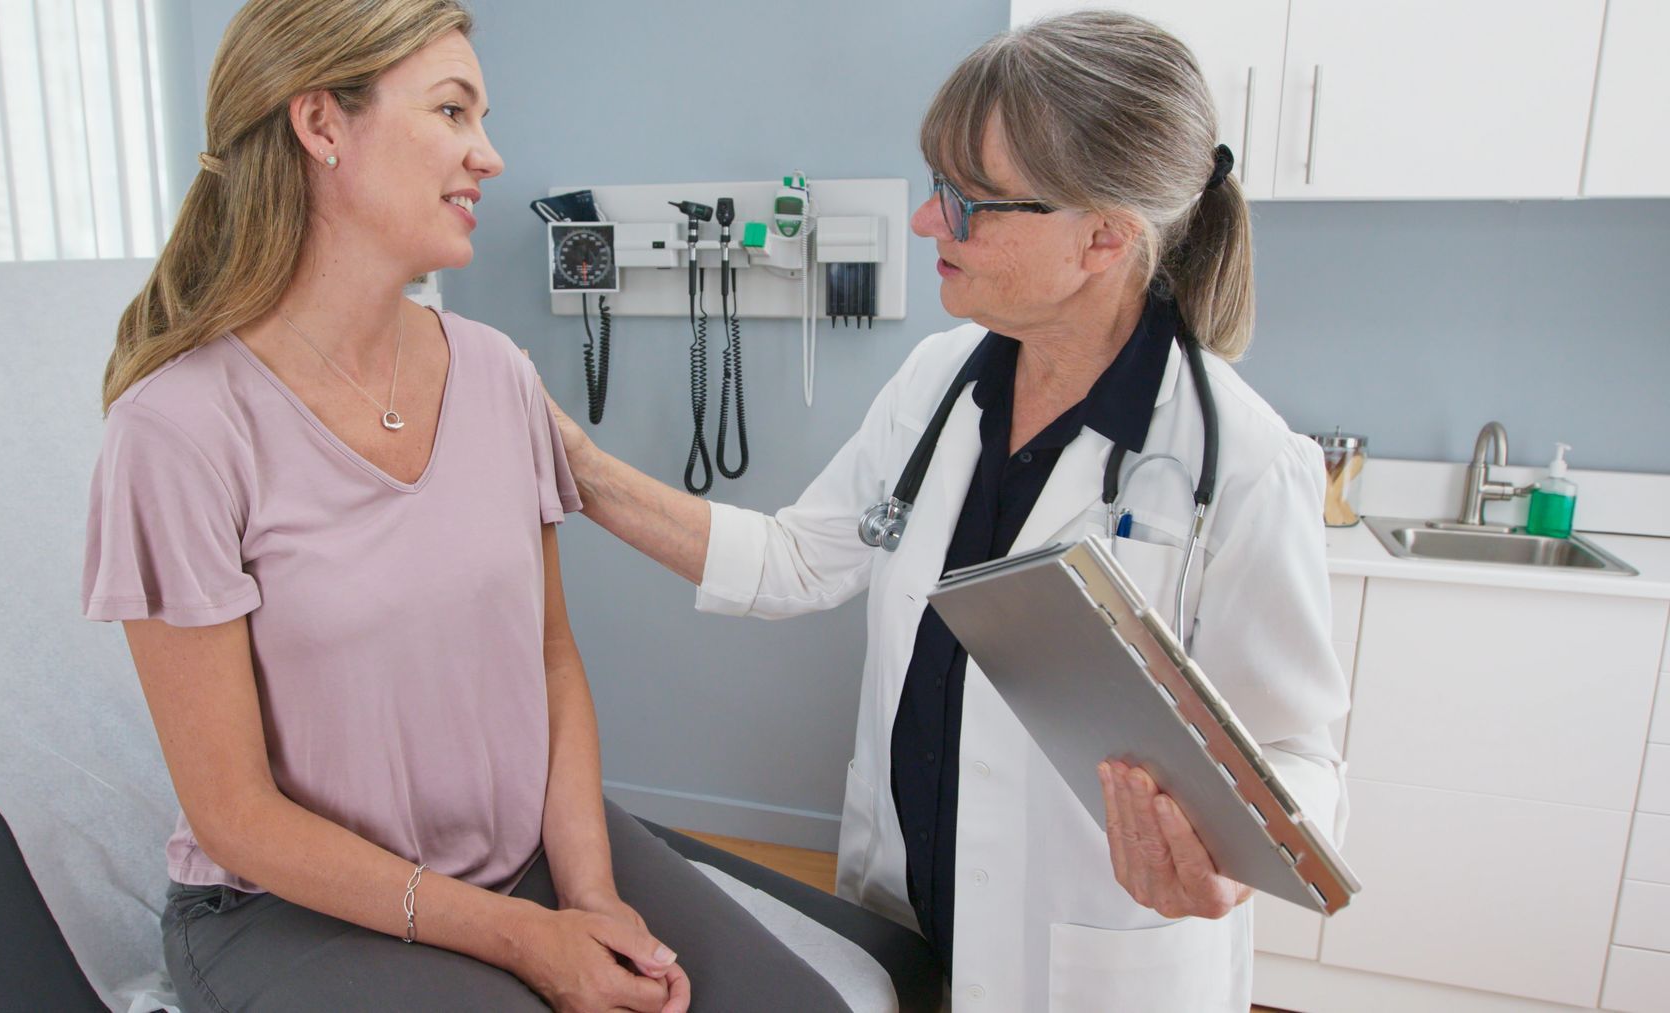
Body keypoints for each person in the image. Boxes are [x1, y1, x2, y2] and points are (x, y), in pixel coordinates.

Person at [546, 11, 1350, 1010]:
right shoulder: (936, 385)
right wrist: (581, 467)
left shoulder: (1241, 463)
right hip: (902, 916)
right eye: (937, 189)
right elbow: (799, 560)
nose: (929, 223)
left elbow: (1302, 757)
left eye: (968, 203)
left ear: (1103, 235)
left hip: (1087, 963)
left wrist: (1227, 859)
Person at [81, 2, 853, 1009]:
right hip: (295, 909)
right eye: (453, 112)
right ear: (321, 126)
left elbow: (550, 655)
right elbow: (232, 812)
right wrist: (526, 938)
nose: (489, 155)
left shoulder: (495, 374)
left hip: (526, 853)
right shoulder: (178, 430)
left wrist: (591, 893)